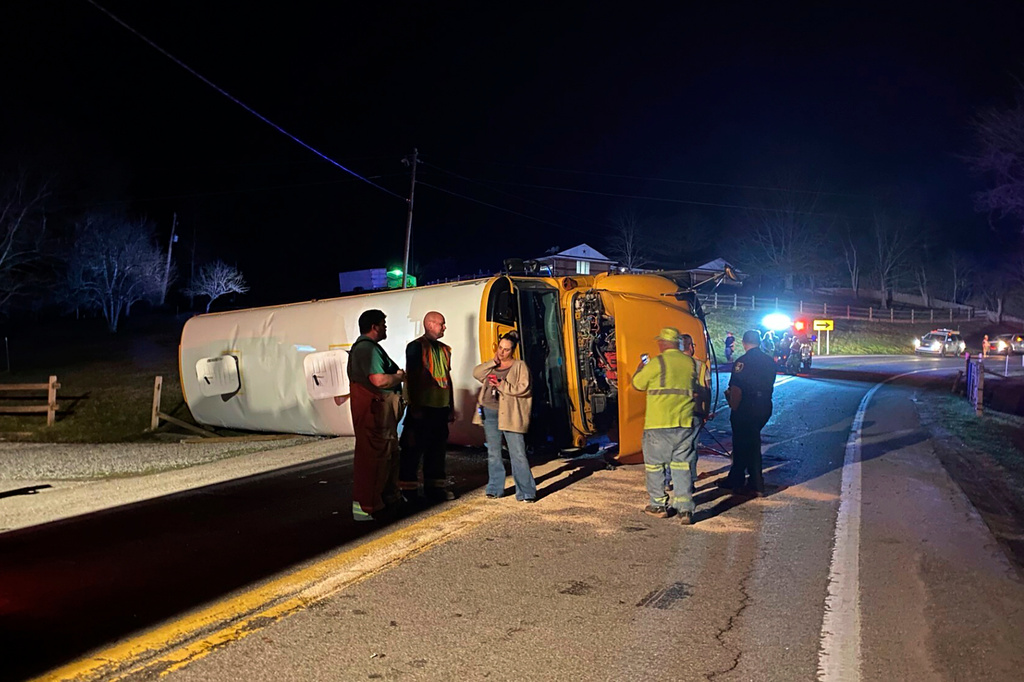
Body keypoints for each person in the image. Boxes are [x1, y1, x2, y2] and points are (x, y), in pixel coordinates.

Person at [631, 327, 700, 525]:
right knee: (682, 466)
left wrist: (640, 368)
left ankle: (658, 505)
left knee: (655, 466)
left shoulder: (657, 363)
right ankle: (685, 509)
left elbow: (637, 384)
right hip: (684, 423)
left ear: (662, 343)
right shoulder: (689, 363)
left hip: (658, 423)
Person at [347, 309, 406, 521]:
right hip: (375, 413)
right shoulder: (367, 350)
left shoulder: (365, 348)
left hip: (377, 413)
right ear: (374, 327)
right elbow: (379, 380)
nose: (385, 327)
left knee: (385, 456)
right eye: (383, 324)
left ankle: (382, 501)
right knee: (374, 459)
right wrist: (398, 377)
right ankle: (366, 508)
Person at [472, 332, 537, 502]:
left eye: (506, 350)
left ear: (513, 351)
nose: (502, 352)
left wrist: (502, 385)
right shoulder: (493, 365)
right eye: (500, 348)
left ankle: (526, 492)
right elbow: (477, 373)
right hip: (489, 412)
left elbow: (523, 388)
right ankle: (494, 488)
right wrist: (492, 362)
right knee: (494, 453)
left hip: (510, 415)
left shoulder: (519, 366)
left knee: (518, 453)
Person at [399, 311, 456, 502]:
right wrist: (414, 405)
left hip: (439, 408)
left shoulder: (445, 349)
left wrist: (451, 406)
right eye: (442, 323)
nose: (444, 327)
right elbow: (414, 378)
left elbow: (447, 379)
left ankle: (435, 490)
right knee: (413, 451)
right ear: (430, 325)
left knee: (436, 451)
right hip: (422, 409)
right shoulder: (416, 347)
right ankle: (408, 492)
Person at [720, 329, 775, 496]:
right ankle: (745, 478)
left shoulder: (742, 362)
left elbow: (736, 389)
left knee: (743, 442)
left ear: (744, 343)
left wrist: (734, 409)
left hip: (747, 406)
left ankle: (749, 481)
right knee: (751, 439)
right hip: (764, 405)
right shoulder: (769, 361)